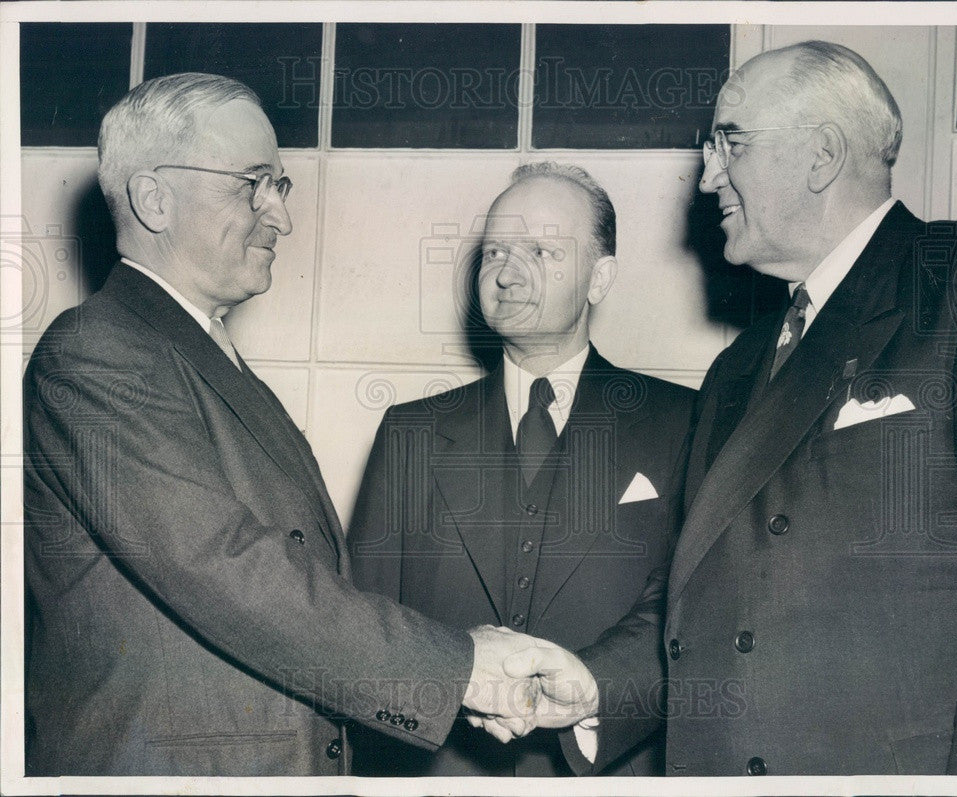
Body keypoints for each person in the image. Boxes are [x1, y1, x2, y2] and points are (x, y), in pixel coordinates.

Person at [22, 72, 565, 776]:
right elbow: (225, 567)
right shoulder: (93, 355)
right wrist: (460, 668)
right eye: (254, 183)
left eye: (281, 186)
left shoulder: (207, 362)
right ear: (154, 198)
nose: (280, 216)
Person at [492, 40, 957, 777]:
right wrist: (595, 685)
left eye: (730, 142)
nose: (708, 175)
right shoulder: (737, 367)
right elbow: (698, 596)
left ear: (821, 154)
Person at [348, 162, 695, 775]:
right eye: (494, 253)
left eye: (540, 249)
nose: (507, 273)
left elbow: (689, 619)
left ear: (600, 276)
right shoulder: (410, 433)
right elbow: (366, 629)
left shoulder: (683, 424)